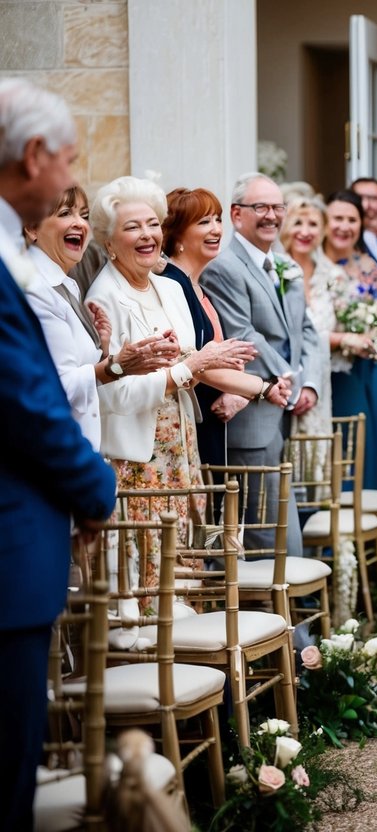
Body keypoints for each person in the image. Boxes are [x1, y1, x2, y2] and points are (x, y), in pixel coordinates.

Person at [0, 77, 117, 832]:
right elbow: (24, 402)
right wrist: (93, 488)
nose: (74, 179)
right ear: (35, 154)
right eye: (70, 160)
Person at [87, 176, 258, 594]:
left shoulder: (171, 289)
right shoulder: (103, 296)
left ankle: (189, 652)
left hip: (182, 442)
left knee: (187, 556)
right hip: (139, 457)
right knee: (146, 565)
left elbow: (189, 360)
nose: (146, 235)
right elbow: (111, 392)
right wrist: (193, 367)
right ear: (109, 242)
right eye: (131, 228)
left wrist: (218, 366)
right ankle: (152, 650)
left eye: (152, 224)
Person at [201, 173, 321, 557]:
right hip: (253, 417)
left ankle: (295, 617)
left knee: (288, 527)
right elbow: (244, 335)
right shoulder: (225, 268)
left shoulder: (285, 264)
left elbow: (307, 330)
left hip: (286, 407)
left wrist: (309, 384)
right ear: (237, 215)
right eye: (261, 208)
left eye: (277, 207)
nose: (271, 216)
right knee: (260, 534)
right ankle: (268, 616)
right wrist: (290, 378)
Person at [24, 186, 173, 449]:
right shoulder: (35, 290)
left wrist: (103, 350)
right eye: (65, 213)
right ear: (32, 228)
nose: (79, 224)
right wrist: (117, 366)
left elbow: (77, 368)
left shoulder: (65, 285)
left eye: (83, 215)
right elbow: (59, 386)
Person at [162, 186, 282, 466]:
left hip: (212, 414)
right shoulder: (173, 284)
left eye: (217, 219)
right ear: (177, 234)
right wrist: (261, 387)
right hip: (194, 413)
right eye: (204, 222)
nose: (216, 229)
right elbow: (193, 359)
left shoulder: (197, 285)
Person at [323, 189, 377, 495]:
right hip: (335, 367)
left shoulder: (367, 265)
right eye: (338, 219)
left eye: (352, 220)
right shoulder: (312, 265)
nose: (344, 226)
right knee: (348, 446)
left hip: (374, 360)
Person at [280, 196, 338, 460]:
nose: (305, 231)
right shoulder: (274, 272)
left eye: (313, 224)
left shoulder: (333, 276)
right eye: (298, 223)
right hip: (284, 382)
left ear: (323, 230)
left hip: (322, 383)